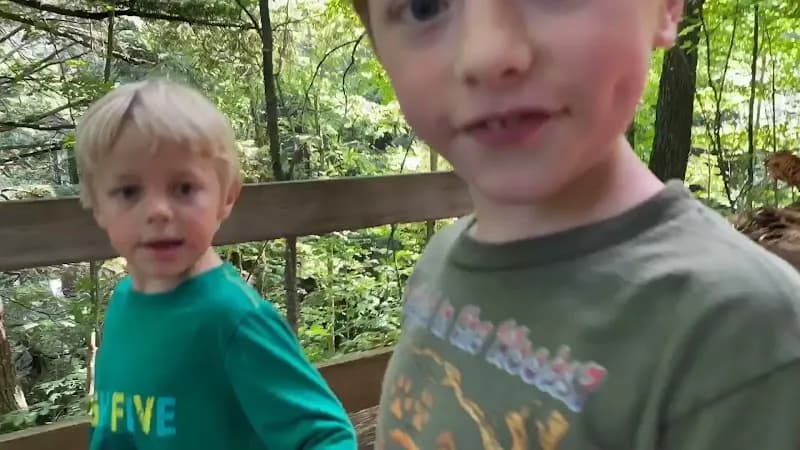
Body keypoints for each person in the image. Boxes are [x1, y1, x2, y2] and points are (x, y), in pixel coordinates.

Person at [351, 1, 800, 449]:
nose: (487, 54)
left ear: (667, 8)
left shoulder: (744, 334)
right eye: (425, 7)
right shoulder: (439, 263)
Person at [76, 79, 357, 450]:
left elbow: (326, 437)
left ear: (227, 197)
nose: (158, 211)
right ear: (97, 205)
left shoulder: (235, 318)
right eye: (129, 192)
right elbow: (113, 430)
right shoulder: (124, 304)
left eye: (184, 189)